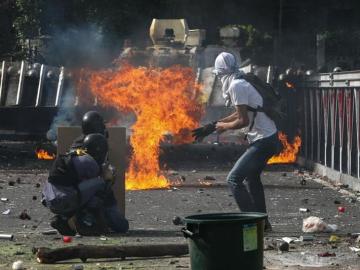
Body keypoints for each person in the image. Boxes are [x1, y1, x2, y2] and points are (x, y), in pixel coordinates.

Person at [192, 52, 280, 231]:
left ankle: (252, 224)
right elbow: (242, 112)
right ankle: (263, 223)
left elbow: (242, 121)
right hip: (268, 138)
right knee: (252, 178)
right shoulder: (241, 81)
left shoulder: (236, 85)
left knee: (233, 179)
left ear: (220, 73)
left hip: (264, 141)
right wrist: (213, 125)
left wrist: (223, 127)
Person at [42, 133, 129, 235]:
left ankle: (64, 220)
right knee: (102, 183)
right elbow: (98, 186)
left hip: (50, 200)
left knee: (82, 189)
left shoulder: (75, 155)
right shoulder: (89, 163)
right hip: (64, 200)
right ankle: (87, 220)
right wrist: (109, 177)